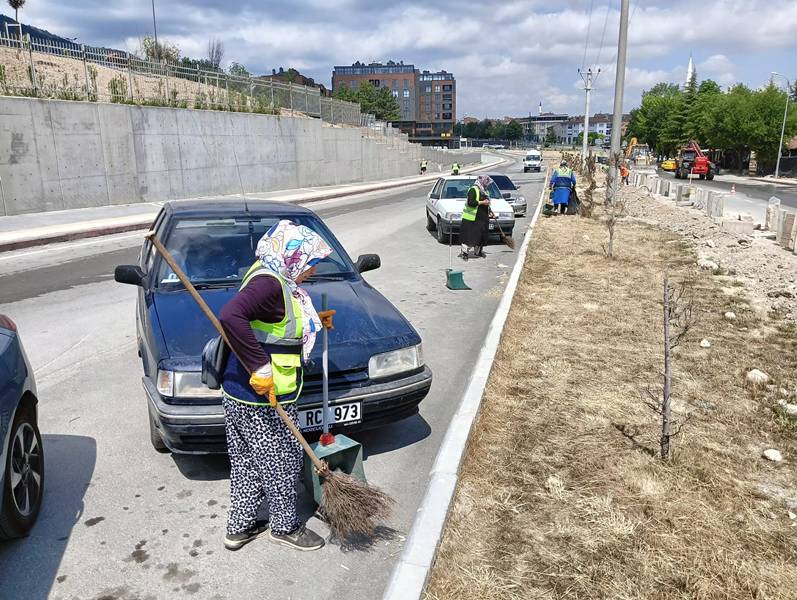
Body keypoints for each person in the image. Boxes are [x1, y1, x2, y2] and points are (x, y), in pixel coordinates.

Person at [218, 220, 335, 552]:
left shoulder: (266, 272)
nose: (312, 271)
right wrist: (260, 367)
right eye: (310, 263)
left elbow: (271, 323)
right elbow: (231, 316)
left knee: (246, 461)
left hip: (239, 392)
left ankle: (240, 526)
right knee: (281, 459)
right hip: (263, 397)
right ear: (293, 257)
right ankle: (284, 527)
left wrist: (313, 322)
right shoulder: (269, 284)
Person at [460, 175, 493, 259]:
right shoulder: (473, 189)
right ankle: (465, 253)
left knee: (481, 236)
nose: (487, 184)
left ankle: (478, 252)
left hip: (482, 218)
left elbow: (487, 203)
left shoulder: (485, 191)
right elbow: (470, 203)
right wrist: (482, 202)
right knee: (469, 237)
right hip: (472, 218)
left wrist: (490, 211)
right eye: (486, 182)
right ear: (482, 181)